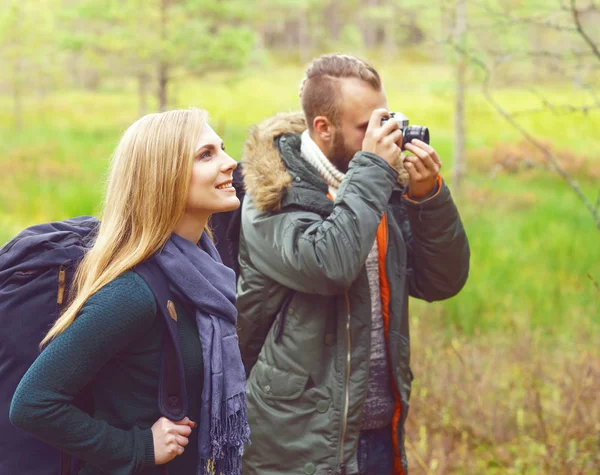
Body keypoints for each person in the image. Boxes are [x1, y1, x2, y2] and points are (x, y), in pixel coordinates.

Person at [236, 54, 470, 474]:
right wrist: (376, 168)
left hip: (377, 431)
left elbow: (442, 280)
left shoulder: (376, 181)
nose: (384, 137)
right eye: (366, 127)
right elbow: (329, 265)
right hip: (296, 445)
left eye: (386, 120)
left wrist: (426, 195)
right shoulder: (272, 195)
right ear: (323, 128)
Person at [9, 108, 250, 475]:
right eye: (206, 155)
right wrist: (138, 447)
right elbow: (33, 403)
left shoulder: (203, 272)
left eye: (222, 149)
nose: (230, 162)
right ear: (163, 177)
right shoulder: (133, 293)